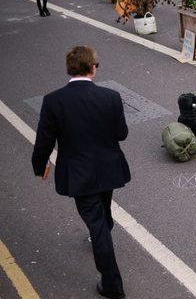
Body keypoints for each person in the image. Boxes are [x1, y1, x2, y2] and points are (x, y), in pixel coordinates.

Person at [31, 46, 130, 298]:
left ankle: (112, 285)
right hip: (108, 169)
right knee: (103, 213)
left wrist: (39, 164)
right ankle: (102, 239)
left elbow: (44, 140)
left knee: (96, 225)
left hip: (79, 173)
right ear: (92, 68)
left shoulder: (53, 101)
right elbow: (121, 134)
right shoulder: (111, 97)